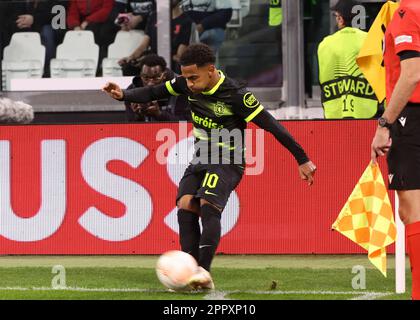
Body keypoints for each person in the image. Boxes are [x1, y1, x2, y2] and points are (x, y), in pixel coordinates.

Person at [103, 43, 316, 290]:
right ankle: (190, 272)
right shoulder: (185, 82)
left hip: (228, 160)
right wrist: (123, 95)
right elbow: (155, 92)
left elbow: (271, 125)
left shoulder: (235, 94)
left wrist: (302, 158)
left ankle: (203, 272)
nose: (189, 84)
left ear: (211, 70)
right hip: (201, 157)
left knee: (207, 205)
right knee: (185, 204)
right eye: (186, 78)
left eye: (194, 77)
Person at [370, 0, 420, 301]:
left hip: (412, 117)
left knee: (411, 207)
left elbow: (412, 73)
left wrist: (385, 122)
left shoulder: (407, 11)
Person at [317, 0, 379, 119]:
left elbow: (324, 78)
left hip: (335, 113)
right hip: (369, 112)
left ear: (340, 19)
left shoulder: (325, 44)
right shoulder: (371, 40)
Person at [118, 0, 192, 75]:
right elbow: (143, 46)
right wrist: (131, 58)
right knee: (128, 66)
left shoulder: (186, 21)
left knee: (175, 65)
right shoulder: (154, 16)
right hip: (151, 57)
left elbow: (179, 56)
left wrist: (152, 59)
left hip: (170, 61)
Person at [124, 53, 190, 122]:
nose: (150, 83)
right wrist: (138, 115)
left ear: (164, 75)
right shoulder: (132, 91)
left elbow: (185, 125)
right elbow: (130, 128)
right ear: (140, 75)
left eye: (155, 78)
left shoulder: (181, 87)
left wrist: (159, 114)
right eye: (146, 78)